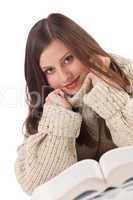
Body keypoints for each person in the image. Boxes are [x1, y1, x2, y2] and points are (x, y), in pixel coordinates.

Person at [14, 13, 133, 195]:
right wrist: (59, 119)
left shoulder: (126, 74)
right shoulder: (47, 109)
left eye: (68, 59)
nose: (64, 76)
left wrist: (107, 92)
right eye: (50, 70)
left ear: (83, 49)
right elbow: (37, 186)